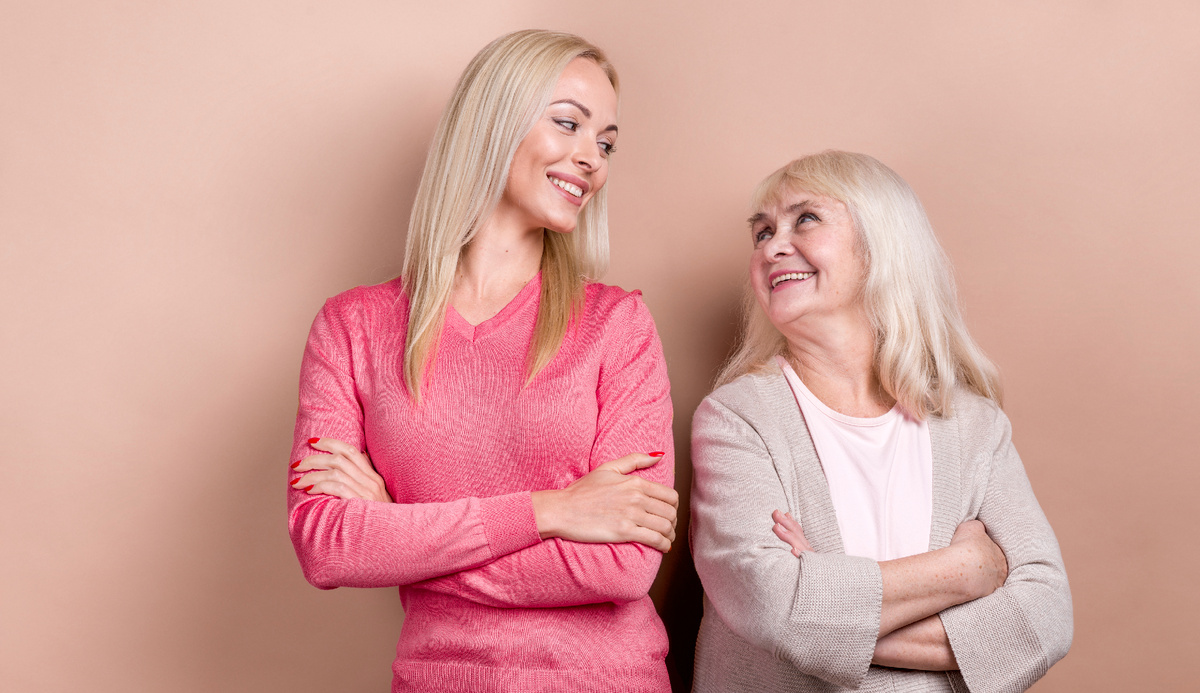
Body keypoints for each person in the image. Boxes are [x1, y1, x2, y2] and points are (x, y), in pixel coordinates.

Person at [286, 30, 677, 692]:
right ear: (492, 121)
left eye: (605, 142)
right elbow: (328, 545)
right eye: (568, 124)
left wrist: (399, 538)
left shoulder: (617, 325)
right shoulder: (351, 326)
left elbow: (623, 563)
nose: (592, 160)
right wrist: (549, 511)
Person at [689, 151, 1072, 692]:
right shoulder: (736, 419)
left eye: (806, 219)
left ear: (880, 243)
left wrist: (821, 605)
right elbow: (770, 603)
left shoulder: (973, 425)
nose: (773, 246)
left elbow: (1045, 617)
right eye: (761, 232)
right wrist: (964, 573)